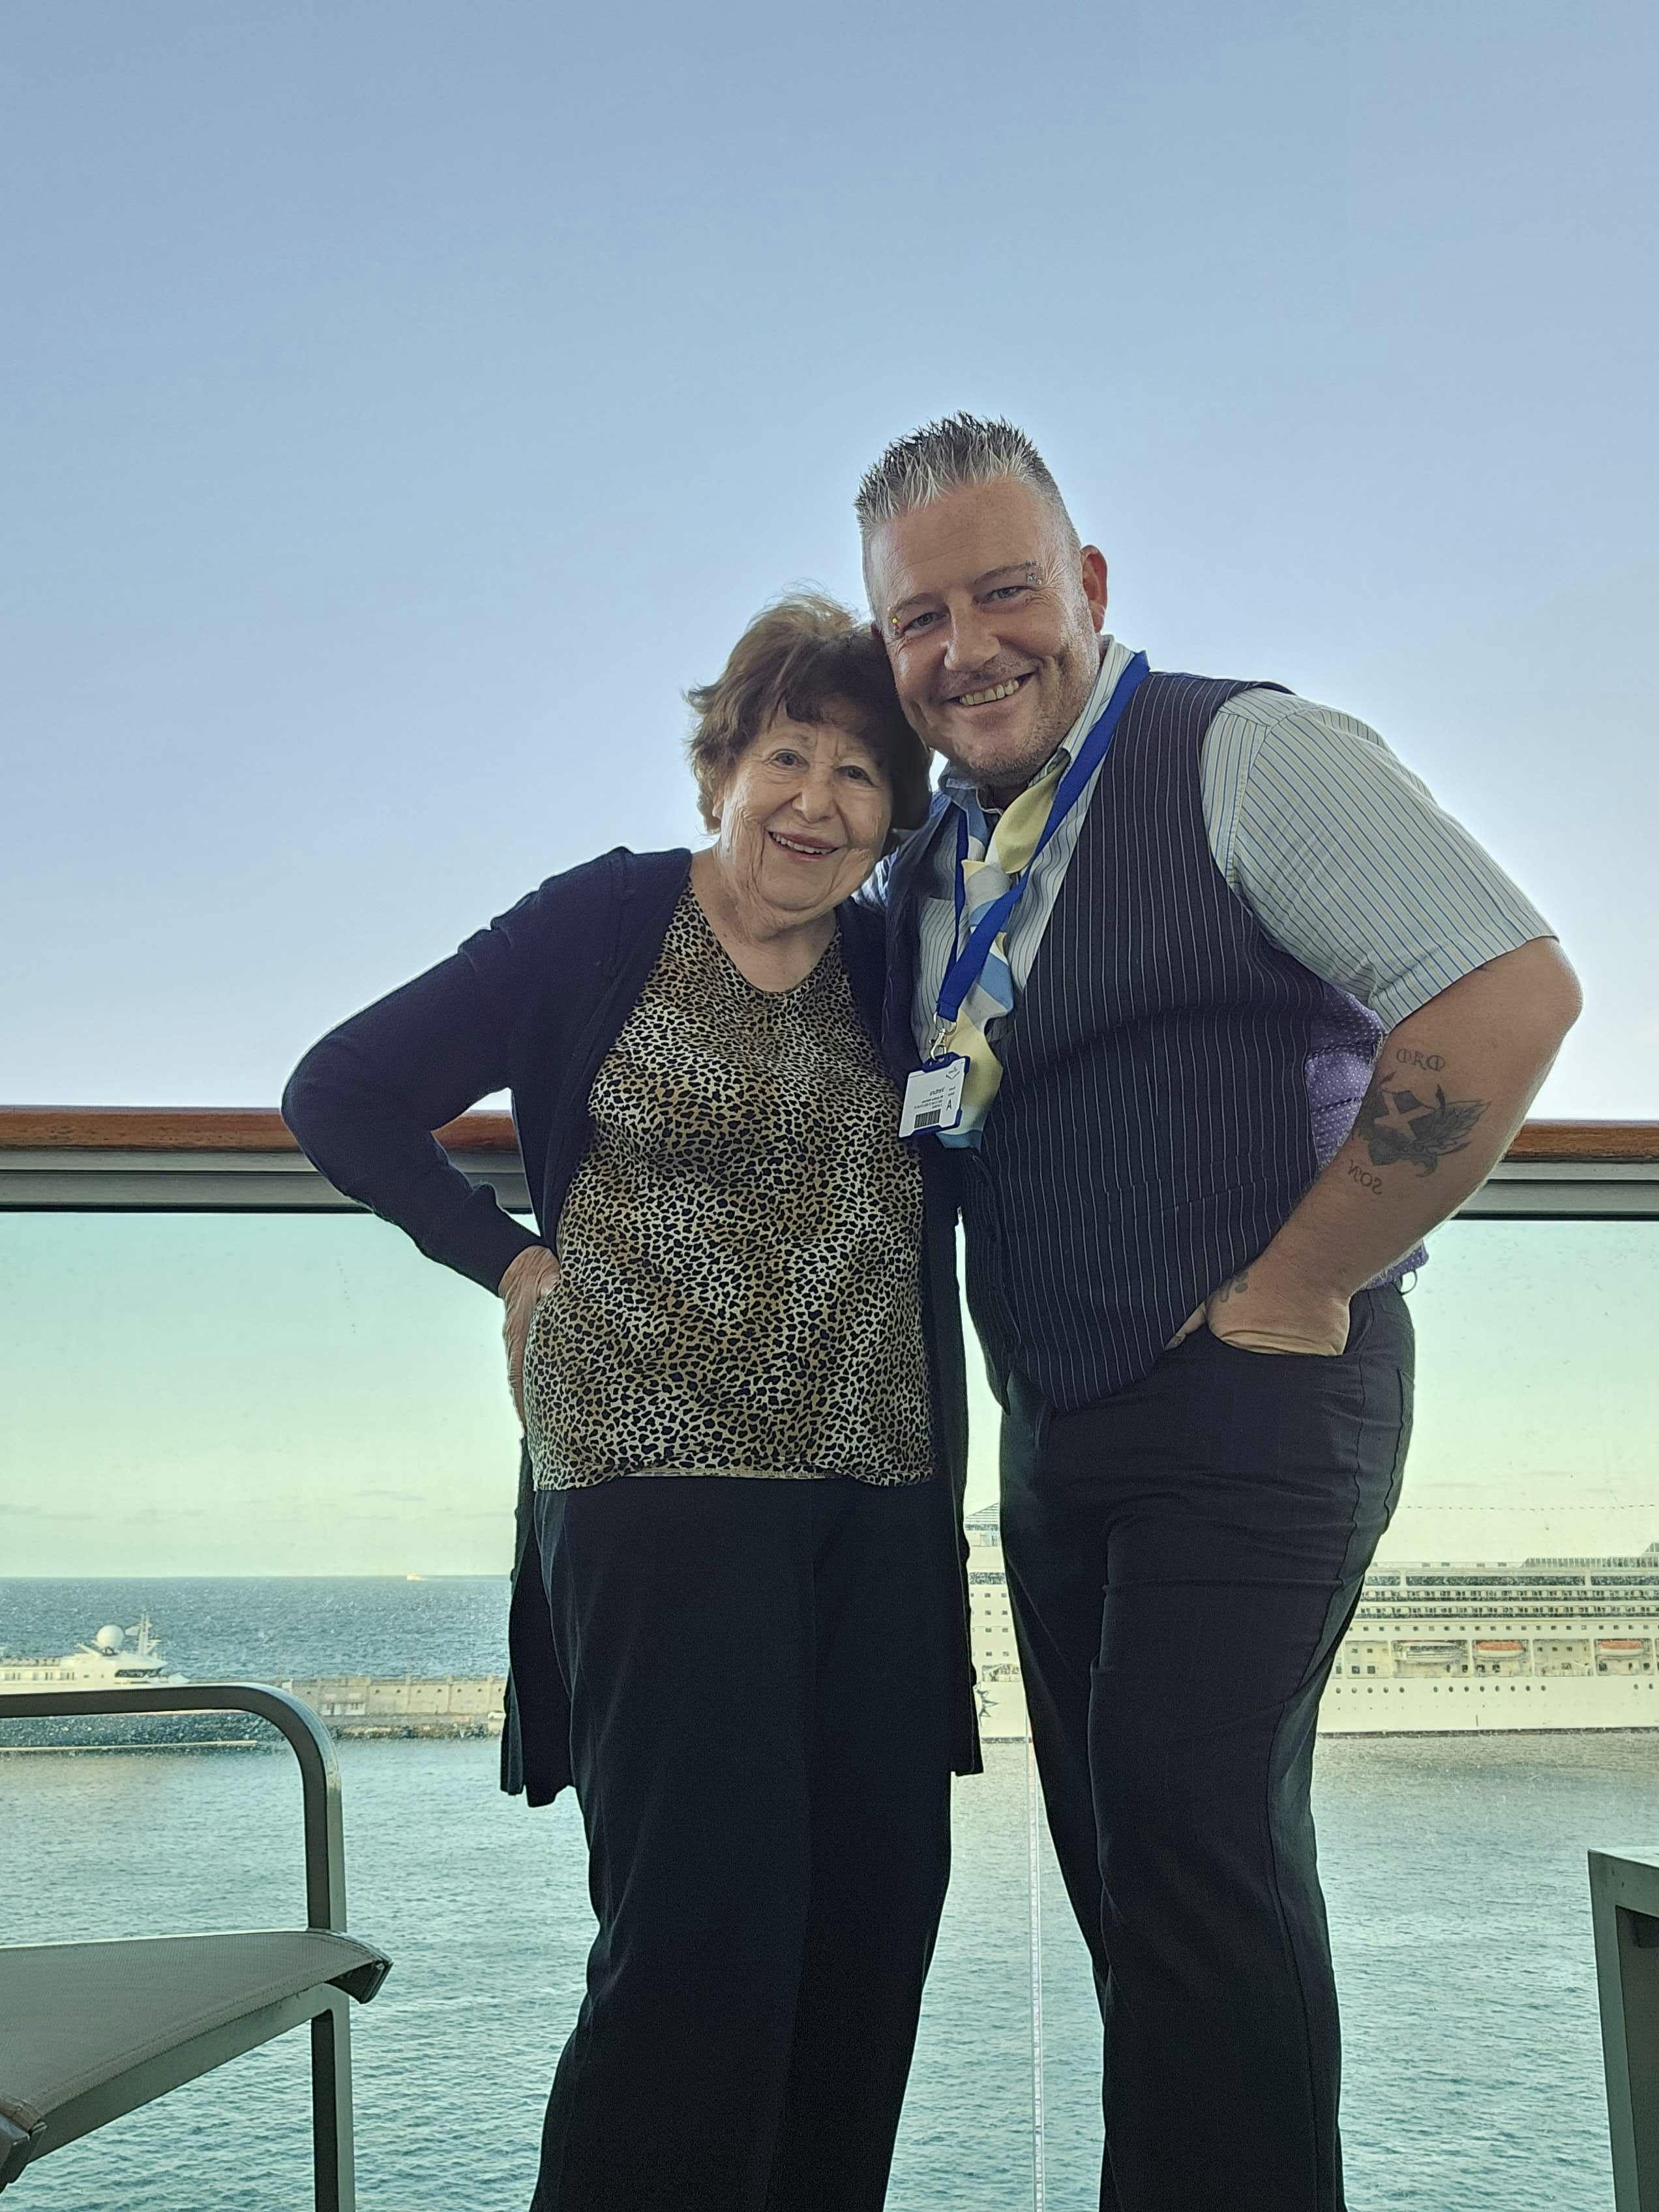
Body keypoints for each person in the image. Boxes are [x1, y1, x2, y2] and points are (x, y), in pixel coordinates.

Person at [856, 414, 1581, 2212]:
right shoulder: (934, 858)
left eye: (1006, 591)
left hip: (1263, 1395)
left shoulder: (1245, 755)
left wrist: (1306, 1278)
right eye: (918, 619)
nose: (967, 648)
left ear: (1090, 587)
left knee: (1195, 1854)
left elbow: (1503, 994)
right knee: (1134, 1876)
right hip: (1064, 1424)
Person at [282, 593, 981, 2212]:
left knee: (874, 1932)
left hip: (875, 1498)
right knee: (700, 1942)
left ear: (894, 819)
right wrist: (510, 1265)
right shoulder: (603, 923)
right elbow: (341, 1089)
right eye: (784, 757)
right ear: (716, 774)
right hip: (653, 1494)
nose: (815, 800)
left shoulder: (895, 963)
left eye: (860, 775)